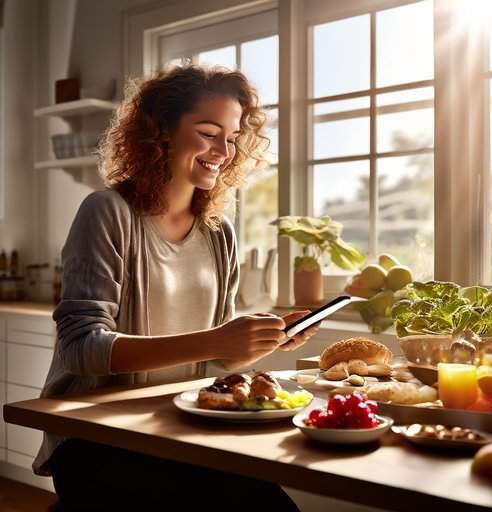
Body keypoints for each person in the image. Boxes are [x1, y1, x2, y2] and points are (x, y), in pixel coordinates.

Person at [33, 65, 320, 511]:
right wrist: (216, 339)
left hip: (181, 429)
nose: (223, 150)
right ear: (162, 131)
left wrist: (264, 337)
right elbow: (80, 347)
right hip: (97, 438)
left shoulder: (218, 231)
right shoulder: (107, 212)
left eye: (232, 136)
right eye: (208, 132)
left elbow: (217, 356)